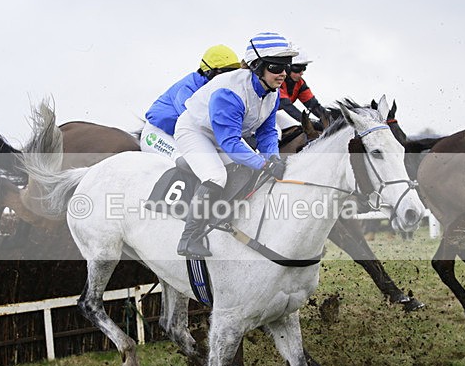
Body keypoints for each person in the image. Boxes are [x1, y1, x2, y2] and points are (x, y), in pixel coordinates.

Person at [173, 31, 297, 256]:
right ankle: (189, 238)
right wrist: (264, 164)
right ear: (257, 66)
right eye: (276, 68)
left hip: (223, 135)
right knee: (216, 176)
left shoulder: (272, 92)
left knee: (249, 168)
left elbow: (267, 133)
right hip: (195, 132)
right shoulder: (229, 92)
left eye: (286, 67)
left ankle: (222, 217)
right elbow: (230, 142)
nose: (283, 75)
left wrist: (273, 158)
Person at [140, 44, 240, 159]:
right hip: (158, 135)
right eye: (225, 72)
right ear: (209, 72)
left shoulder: (221, 91)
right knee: (191, 161)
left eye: (233, 72)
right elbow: (195, 123)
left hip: (182, 136)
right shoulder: (188, 88)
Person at [277, 49, 328, 132]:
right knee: (277, 132)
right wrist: (308, 122)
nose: (301, 73)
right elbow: (286, 105)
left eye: (304, 68)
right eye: (298, 69)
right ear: (287, 67)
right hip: (256, 114)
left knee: (294, 129)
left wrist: (331, 120)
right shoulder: (276, 81)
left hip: (270, 114)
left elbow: (314, 105)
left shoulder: (300, 83)